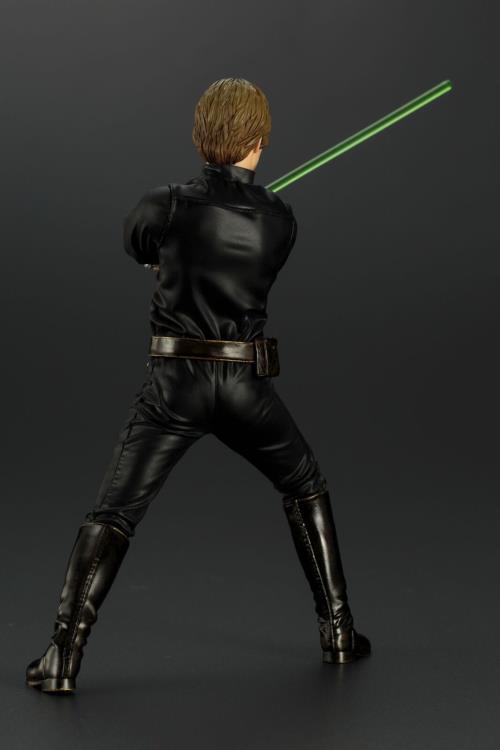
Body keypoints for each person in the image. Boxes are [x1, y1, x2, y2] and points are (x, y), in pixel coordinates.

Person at [26, 77, 371, 694]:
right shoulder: (281, 219)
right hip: (244, 387)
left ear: (201, 137)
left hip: (174, 387)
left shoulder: (165, 204)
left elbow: (137, 243)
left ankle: (61, 658)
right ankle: (339, 632)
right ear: (258, 142)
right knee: (305, 485)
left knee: (114, 514)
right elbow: (254, 263)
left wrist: (165, 260)